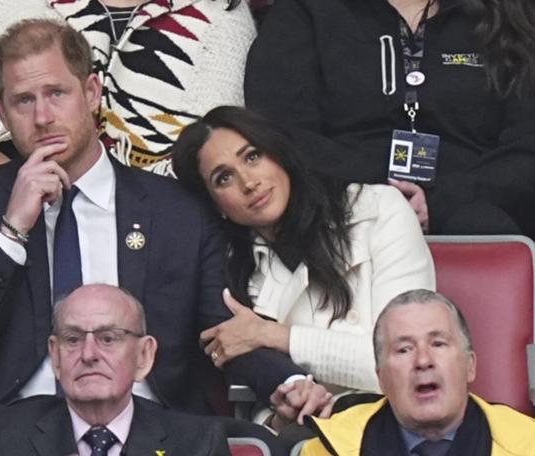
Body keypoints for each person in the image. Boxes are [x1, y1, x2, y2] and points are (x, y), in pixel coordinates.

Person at [0, 19, 305, 456]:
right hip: (16, 429)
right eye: (23, 101)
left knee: (267, 445)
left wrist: (290, 382)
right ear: (1, 112)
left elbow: (221, 326)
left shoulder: (174, 208)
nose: (42, 117)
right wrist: (12, 229)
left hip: (146, 424)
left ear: (91, 93)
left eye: (57, 94)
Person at [171, 106, 436, 429]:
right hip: (316, 438)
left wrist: (272, 335)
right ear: (216, 206)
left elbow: (407, 363)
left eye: (252, 156)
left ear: (278, 154)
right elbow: (256, 405)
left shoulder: (379, 209)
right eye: (224, 178)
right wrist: (282, 415)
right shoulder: (231, 274)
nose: (249, 182)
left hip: (414, 427)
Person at [245, 0, 535, 238]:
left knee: (481, 225)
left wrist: (444, 200)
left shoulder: (508, 14)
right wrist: (382, 193)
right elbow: (279, 130)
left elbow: (527, 146)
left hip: (477, 209)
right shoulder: (307, 11)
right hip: (346, 207)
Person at [0, 284, 232, 456]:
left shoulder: (197, 445)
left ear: (143, 355)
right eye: (72, 339)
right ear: (55, 356)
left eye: (108, 338)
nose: (88, 354)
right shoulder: (5, 440)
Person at [300, 289, 535, 455]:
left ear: (470, 366)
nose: (423, 360)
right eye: (404, 350)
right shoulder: (328, 449)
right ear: (381, 378)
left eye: (438, 344)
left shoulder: (528, 444)